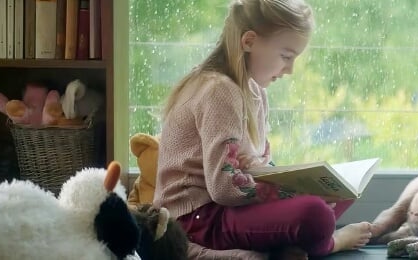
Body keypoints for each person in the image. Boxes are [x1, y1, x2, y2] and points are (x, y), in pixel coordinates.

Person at [152, 0, 373, 258]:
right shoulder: (219, 90)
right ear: (248, 42)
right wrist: (291, 193)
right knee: (316, 213)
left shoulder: (254, 90)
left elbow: (256, 164)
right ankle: (330, 243)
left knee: (340, 191)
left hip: (227, 210)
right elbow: (224, 187)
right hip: (197, 219)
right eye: (286, 56)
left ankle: (284, 245)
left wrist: (271, 175)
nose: (290, 69)